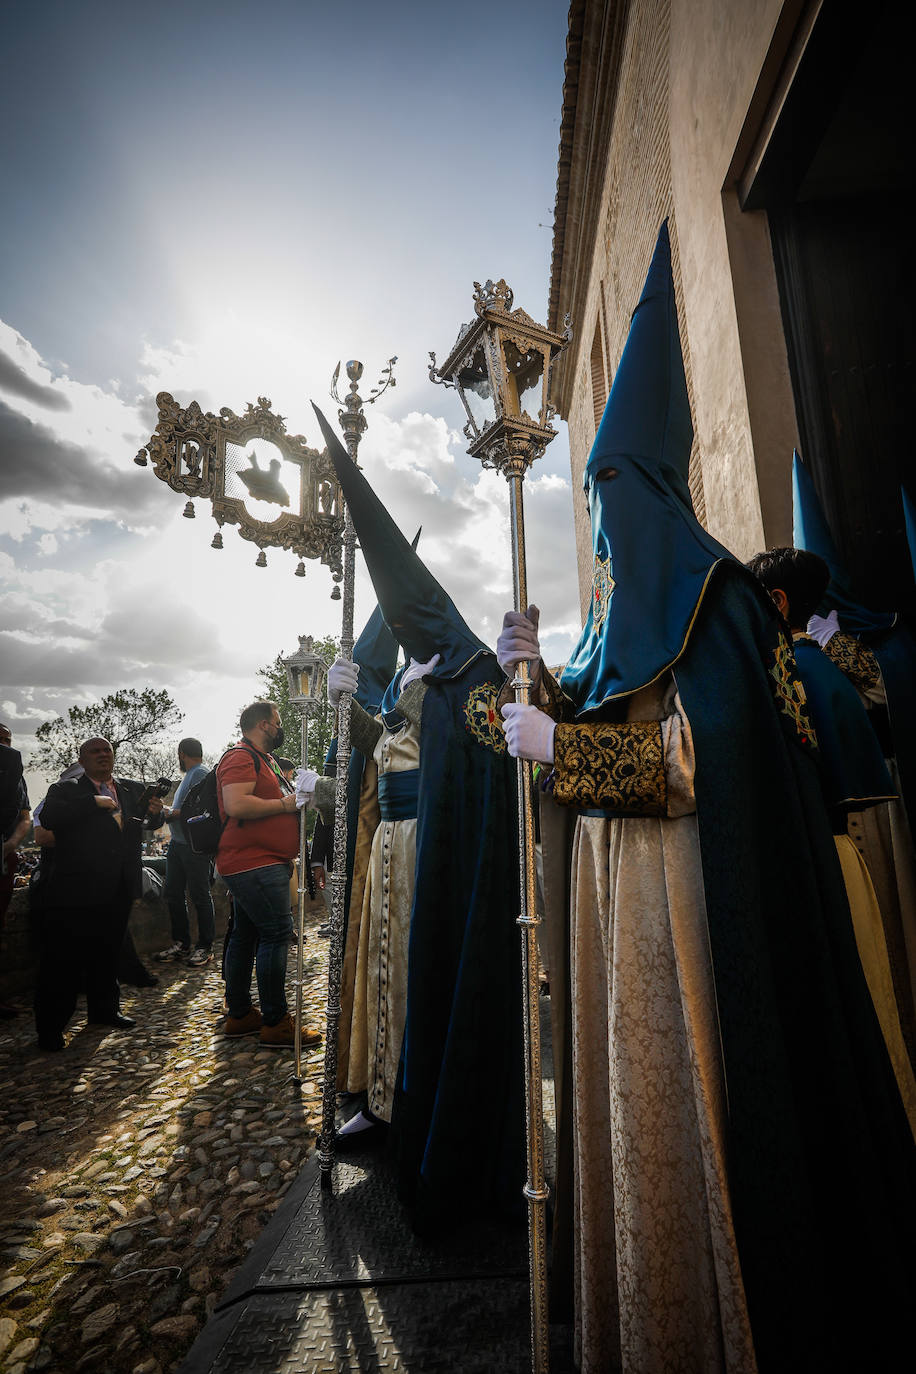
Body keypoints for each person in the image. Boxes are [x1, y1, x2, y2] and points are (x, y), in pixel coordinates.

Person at [496, 222, 915, 1373]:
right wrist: (521, 677)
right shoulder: (616, 622)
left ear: (651, 486)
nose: (599, 517)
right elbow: (552, 732)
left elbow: (702, 766)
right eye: (592, 495)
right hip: (622, 909)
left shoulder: (722, 602)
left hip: (691, 903)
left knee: (711, 1111)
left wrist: (560, 751)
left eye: (610, 487)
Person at [313, 405, 524, 1236]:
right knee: (384, 979)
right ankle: (381, 1100)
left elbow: (468, 759)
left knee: (422, 980)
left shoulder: (471, 672)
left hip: (436, 854)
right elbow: (389, 749)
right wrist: (349, 707)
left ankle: (426, 1106)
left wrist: (516, 687)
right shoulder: (416, 674)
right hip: (388, 852)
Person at [748, 545, 916, 1128]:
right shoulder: (827, 666)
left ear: (775, 602)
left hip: (812, 862)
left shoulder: (785, 672)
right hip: (848, 857)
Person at [33, 737, 165, 1051]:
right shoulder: (65, 791)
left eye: (107, 750)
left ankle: (104, 1011)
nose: (103, 755)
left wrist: (157, 813)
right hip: (75, 890)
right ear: (82, 759)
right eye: (95, 751)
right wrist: (93, 802)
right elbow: (50, 818)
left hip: (118, 885)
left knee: (107, 953)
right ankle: (50, 1029)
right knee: (63, 960)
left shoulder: (132, 788)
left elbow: (147, 823)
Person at [215, 700, 322, 1050]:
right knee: (276, 936)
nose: (280, 728)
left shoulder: (266, 761)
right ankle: (275, 1022)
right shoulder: (240, 757)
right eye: (277, 723)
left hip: (262, 862)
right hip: (253, 863)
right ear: (263, 725)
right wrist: (286, 805)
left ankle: (241, 1014)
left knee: (246, 935)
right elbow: (236, 804)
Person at [155, 737, 216, 967]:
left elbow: (198, 811)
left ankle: (205, 946)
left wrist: (168, 813)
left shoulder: (200, 773)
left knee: (200, 894)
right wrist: (169, 811)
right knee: (172, 892)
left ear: (181, 753)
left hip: (193, 846)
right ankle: (182, 943)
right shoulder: (189, 776)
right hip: (178, 845)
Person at [0, 724, 30, 1018]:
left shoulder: (17, 779)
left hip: (6, 855)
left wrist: (10, 845)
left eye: (8, 741)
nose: (4, 746)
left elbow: (25, 817)